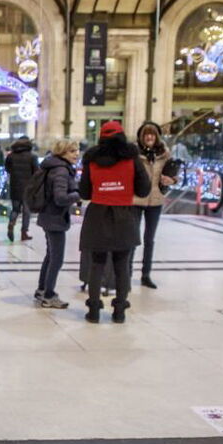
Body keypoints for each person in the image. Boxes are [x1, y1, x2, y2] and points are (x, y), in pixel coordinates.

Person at [78, 121, 151, 324]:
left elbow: (84, 192)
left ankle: (93, 310)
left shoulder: (91, 160)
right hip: (124, 216)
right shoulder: (132, 159)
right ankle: (119, 311)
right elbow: (143, 189)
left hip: (97, 215)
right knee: (122, 265)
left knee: (97, 264)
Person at [35, 138, 81, 309]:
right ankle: (48, 295)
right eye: (72, 151)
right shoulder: (61, 170)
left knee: (50, 256)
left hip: (48, 216)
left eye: (77, 150)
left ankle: (41, 289)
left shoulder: (53, 166)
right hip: (55, 219)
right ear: (62, 153)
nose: (76, 153)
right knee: (57, 259)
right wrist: (79, 195)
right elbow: (60, 198)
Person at [132, 121, 177, 289]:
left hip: (156, 200)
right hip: (136, 199)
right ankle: (127, 273)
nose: (149, 137)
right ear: (141, 137)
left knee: (149, 239)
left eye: (152, 134)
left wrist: (171, 179)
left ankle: (146, 275)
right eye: (146, 134)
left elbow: (173, 173)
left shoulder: (164, 154)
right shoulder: (134, 153)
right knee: (133, 238)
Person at [5, 136, 40, 241]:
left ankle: (11, 223)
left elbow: (7, 169)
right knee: (26, 211)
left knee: (15, 209)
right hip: (28, 188)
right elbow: (36, 172)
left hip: (15, 186)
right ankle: (24, 233)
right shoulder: (32, 156)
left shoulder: (11, 156)